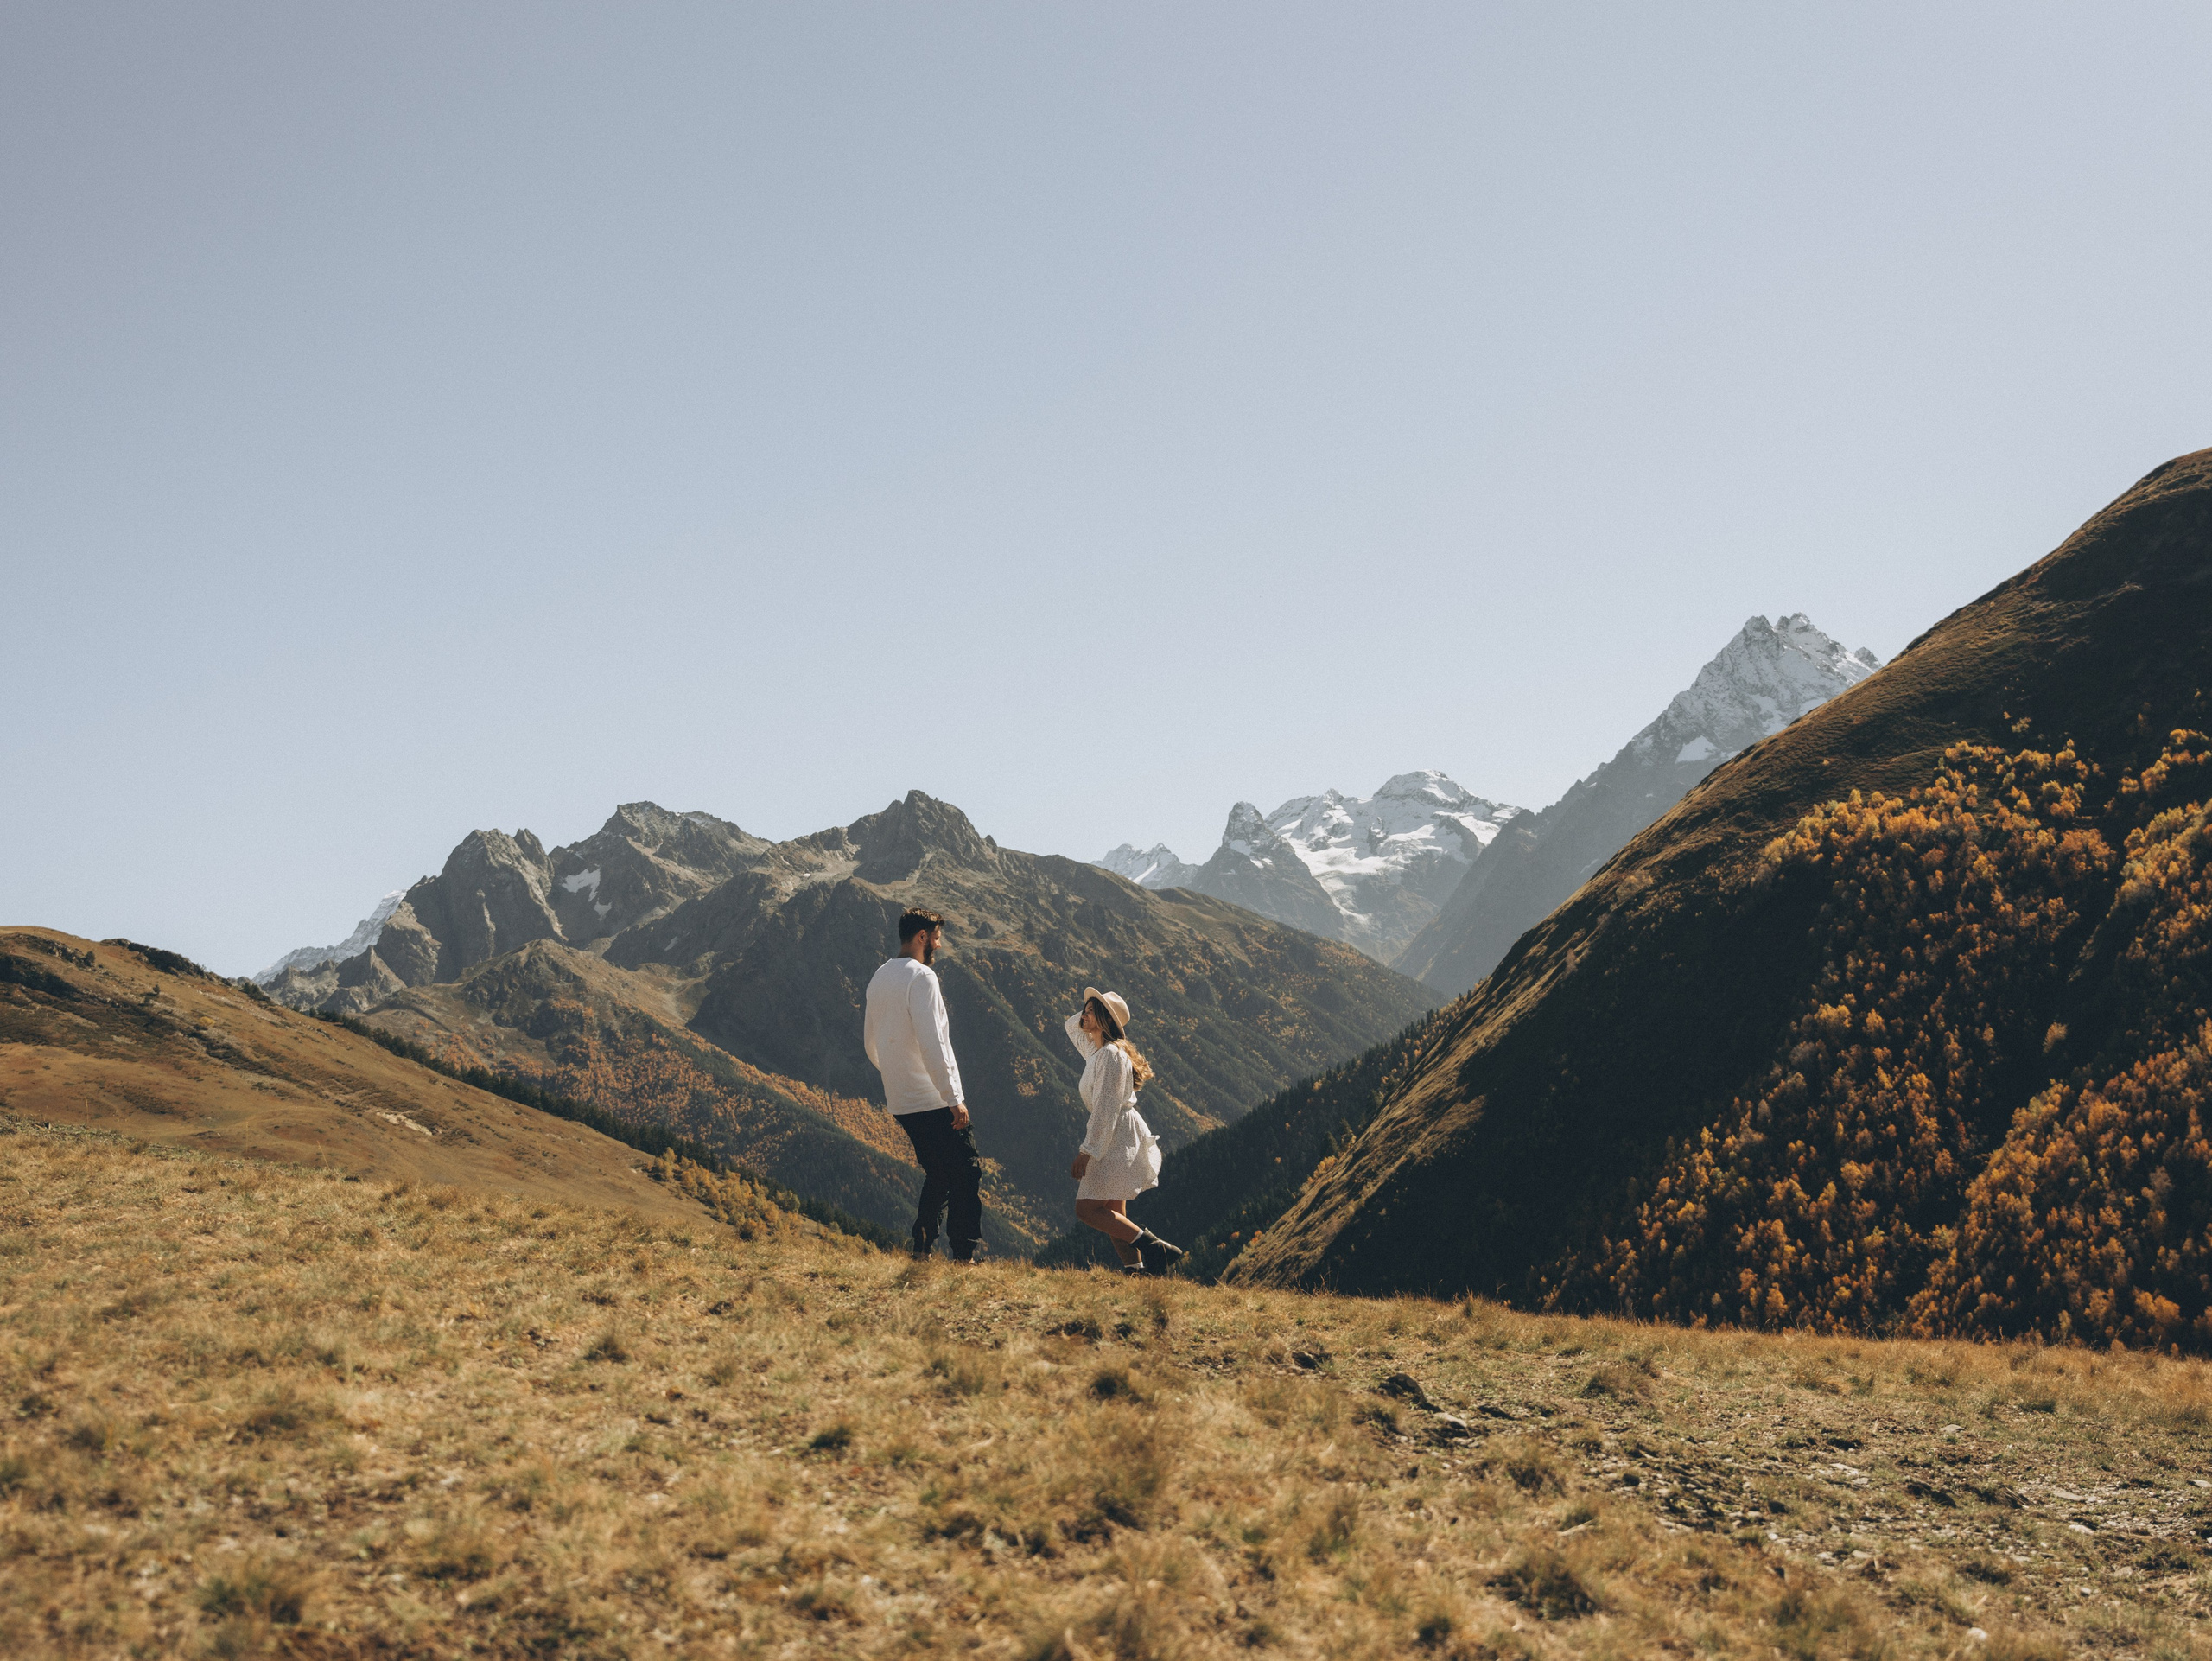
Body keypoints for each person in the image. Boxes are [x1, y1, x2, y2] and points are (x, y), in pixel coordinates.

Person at [863, 908, 984, 1262]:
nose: (939, 945)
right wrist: (953, 1098)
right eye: (936, 937)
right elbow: (934, 1043)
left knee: (939, 1173)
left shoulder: (879, 977)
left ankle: (921, 1248)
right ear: (921, 936)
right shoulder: (922, 978)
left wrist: (895, 1075)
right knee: (967, 1169)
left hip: (901, 1100)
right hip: (932, 1096)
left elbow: (871, 1043)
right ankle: (963, 1254)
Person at [1065, 987, 1184, 1275]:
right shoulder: (1099, 1051)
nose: (1084, 1014)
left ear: (1105, 1020)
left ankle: (1155, 1247)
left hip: (1115, 1135)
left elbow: (1106, 1106)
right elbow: (1072, 1026)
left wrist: (1087, 1151)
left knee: (1088, 1209)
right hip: (1118, 1132)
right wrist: (1092, 1012)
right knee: (1114, 1212)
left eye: (1091, 1011)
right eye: (1086, 1008)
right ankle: (1137, 1269)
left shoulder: (1109, 1056)